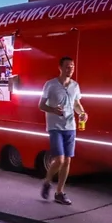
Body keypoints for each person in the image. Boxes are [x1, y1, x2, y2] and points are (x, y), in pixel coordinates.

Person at [38, 56, 88, 206]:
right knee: (59, 159)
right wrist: (53, 110)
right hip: (55, 127)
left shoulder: (75, 86)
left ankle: (59, 192)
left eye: (72, 66)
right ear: (60, 68)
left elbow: (76, 103)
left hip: (70, 126)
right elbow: (41, 105)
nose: (70, 69)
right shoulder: (50, 85)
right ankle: (47, 181)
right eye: (67, 66)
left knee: (67, 160)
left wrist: (82, 113)